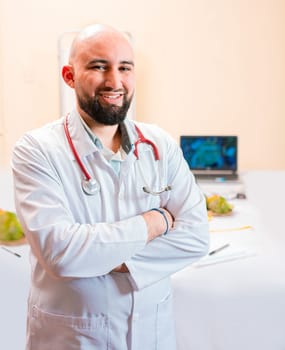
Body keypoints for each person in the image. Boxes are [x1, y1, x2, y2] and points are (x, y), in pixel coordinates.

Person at [12, 23, 209, 350]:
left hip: (152, 334)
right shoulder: (36, 150)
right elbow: (61, 254)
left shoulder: (159, 144)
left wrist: (100, 257)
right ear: (69, 75)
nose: (114, 81)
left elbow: (196, 237)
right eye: (98, 66)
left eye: (124, 68)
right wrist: (154, 222)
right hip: (73, 338)